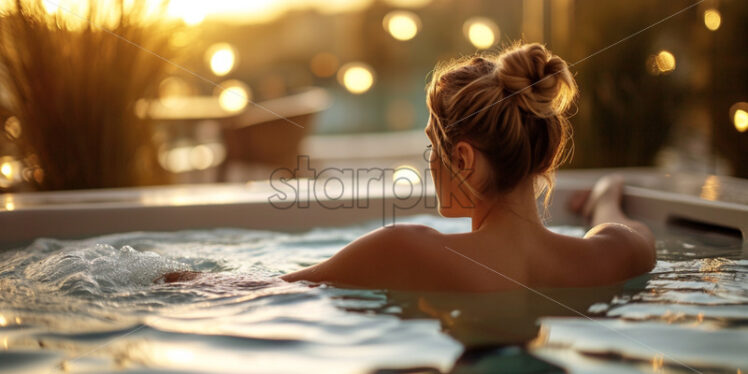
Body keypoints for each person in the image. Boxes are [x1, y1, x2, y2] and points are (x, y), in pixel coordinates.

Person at [159, 43, 656, 291]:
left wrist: (165, 277)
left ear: (462, 158)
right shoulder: (615, 256)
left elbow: (257, 293)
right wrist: (605, 194)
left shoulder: (405, 251)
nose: (431, 165)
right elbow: (625, 225)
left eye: (433, 149)